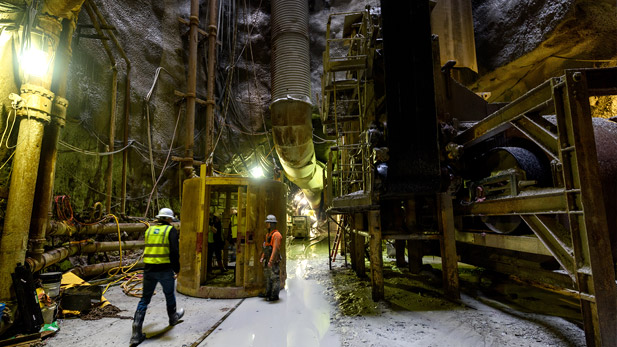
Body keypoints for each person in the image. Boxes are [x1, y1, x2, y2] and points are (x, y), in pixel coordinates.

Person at [130, 207, 184, 346]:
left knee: (144, 299)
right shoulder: (170, 230)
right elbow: (174, 251)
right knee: (169, 295)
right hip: (164, 269)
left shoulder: (149, 230)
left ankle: (136, 334)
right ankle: (173, 318)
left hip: (148, 269)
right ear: (168, 218)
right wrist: (177, 269)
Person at [259, 214, 283, 301]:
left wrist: (271, 261)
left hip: (273, 260)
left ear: (271, 224)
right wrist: (263, 257)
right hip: (267, 259)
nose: (266, 225)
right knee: (268, 277)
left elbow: (275, 249)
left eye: (267, 223)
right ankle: (267, 293)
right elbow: (266, 247)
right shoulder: (268, 235)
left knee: (275, 277)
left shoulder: (277, 235)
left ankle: (274, 295)